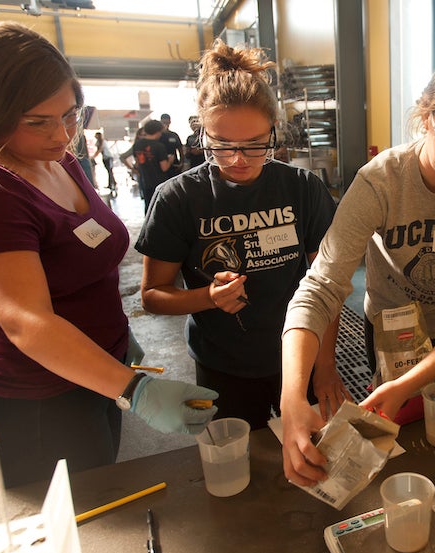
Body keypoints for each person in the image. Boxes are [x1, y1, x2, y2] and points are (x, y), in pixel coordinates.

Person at [0, 22, 218, 488]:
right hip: (35, 406)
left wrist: (117, 340)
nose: (62, 134)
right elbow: (27, 322)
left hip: (94, 377)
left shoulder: (56, 159)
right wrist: (136, 389)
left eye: (70, 115)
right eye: (38, 122)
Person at [280, 52, 435, 486]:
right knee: (400, 452)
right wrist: (291, 396)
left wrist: (413, 380)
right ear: (426, 117)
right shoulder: (382, 181)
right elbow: (321, 286)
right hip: (391, 334)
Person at [135, 42, 341, 430]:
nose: (239, 159)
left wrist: (325, 365)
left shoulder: (302, 188)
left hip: (299, 355)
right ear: (202, 134)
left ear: (274, 131)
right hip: (223, 365)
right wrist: (207, 298)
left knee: (315, 459)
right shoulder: (178, 198)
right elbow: (152, 296)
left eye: (255, 144)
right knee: (242, 467)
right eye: (222, 146)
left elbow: (326, 284)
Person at [122, 119, 170, 212]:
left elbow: (138, 161)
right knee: (161, 209)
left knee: (148, 207)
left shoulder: (137, 144)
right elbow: (164, 167)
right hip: (159, 182)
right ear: (157, 132)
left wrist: (133, 169)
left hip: (145, 181)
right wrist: (170, 160)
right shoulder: (159, 146)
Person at [159, 113, 184, 177]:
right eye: (164, 122)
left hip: (174, 165)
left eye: (167, 122)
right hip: (161, 165)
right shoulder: (158, 136)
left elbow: (180, 149)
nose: (165, 124)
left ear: (170, 122)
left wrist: (181, 163)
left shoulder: (174, 135)